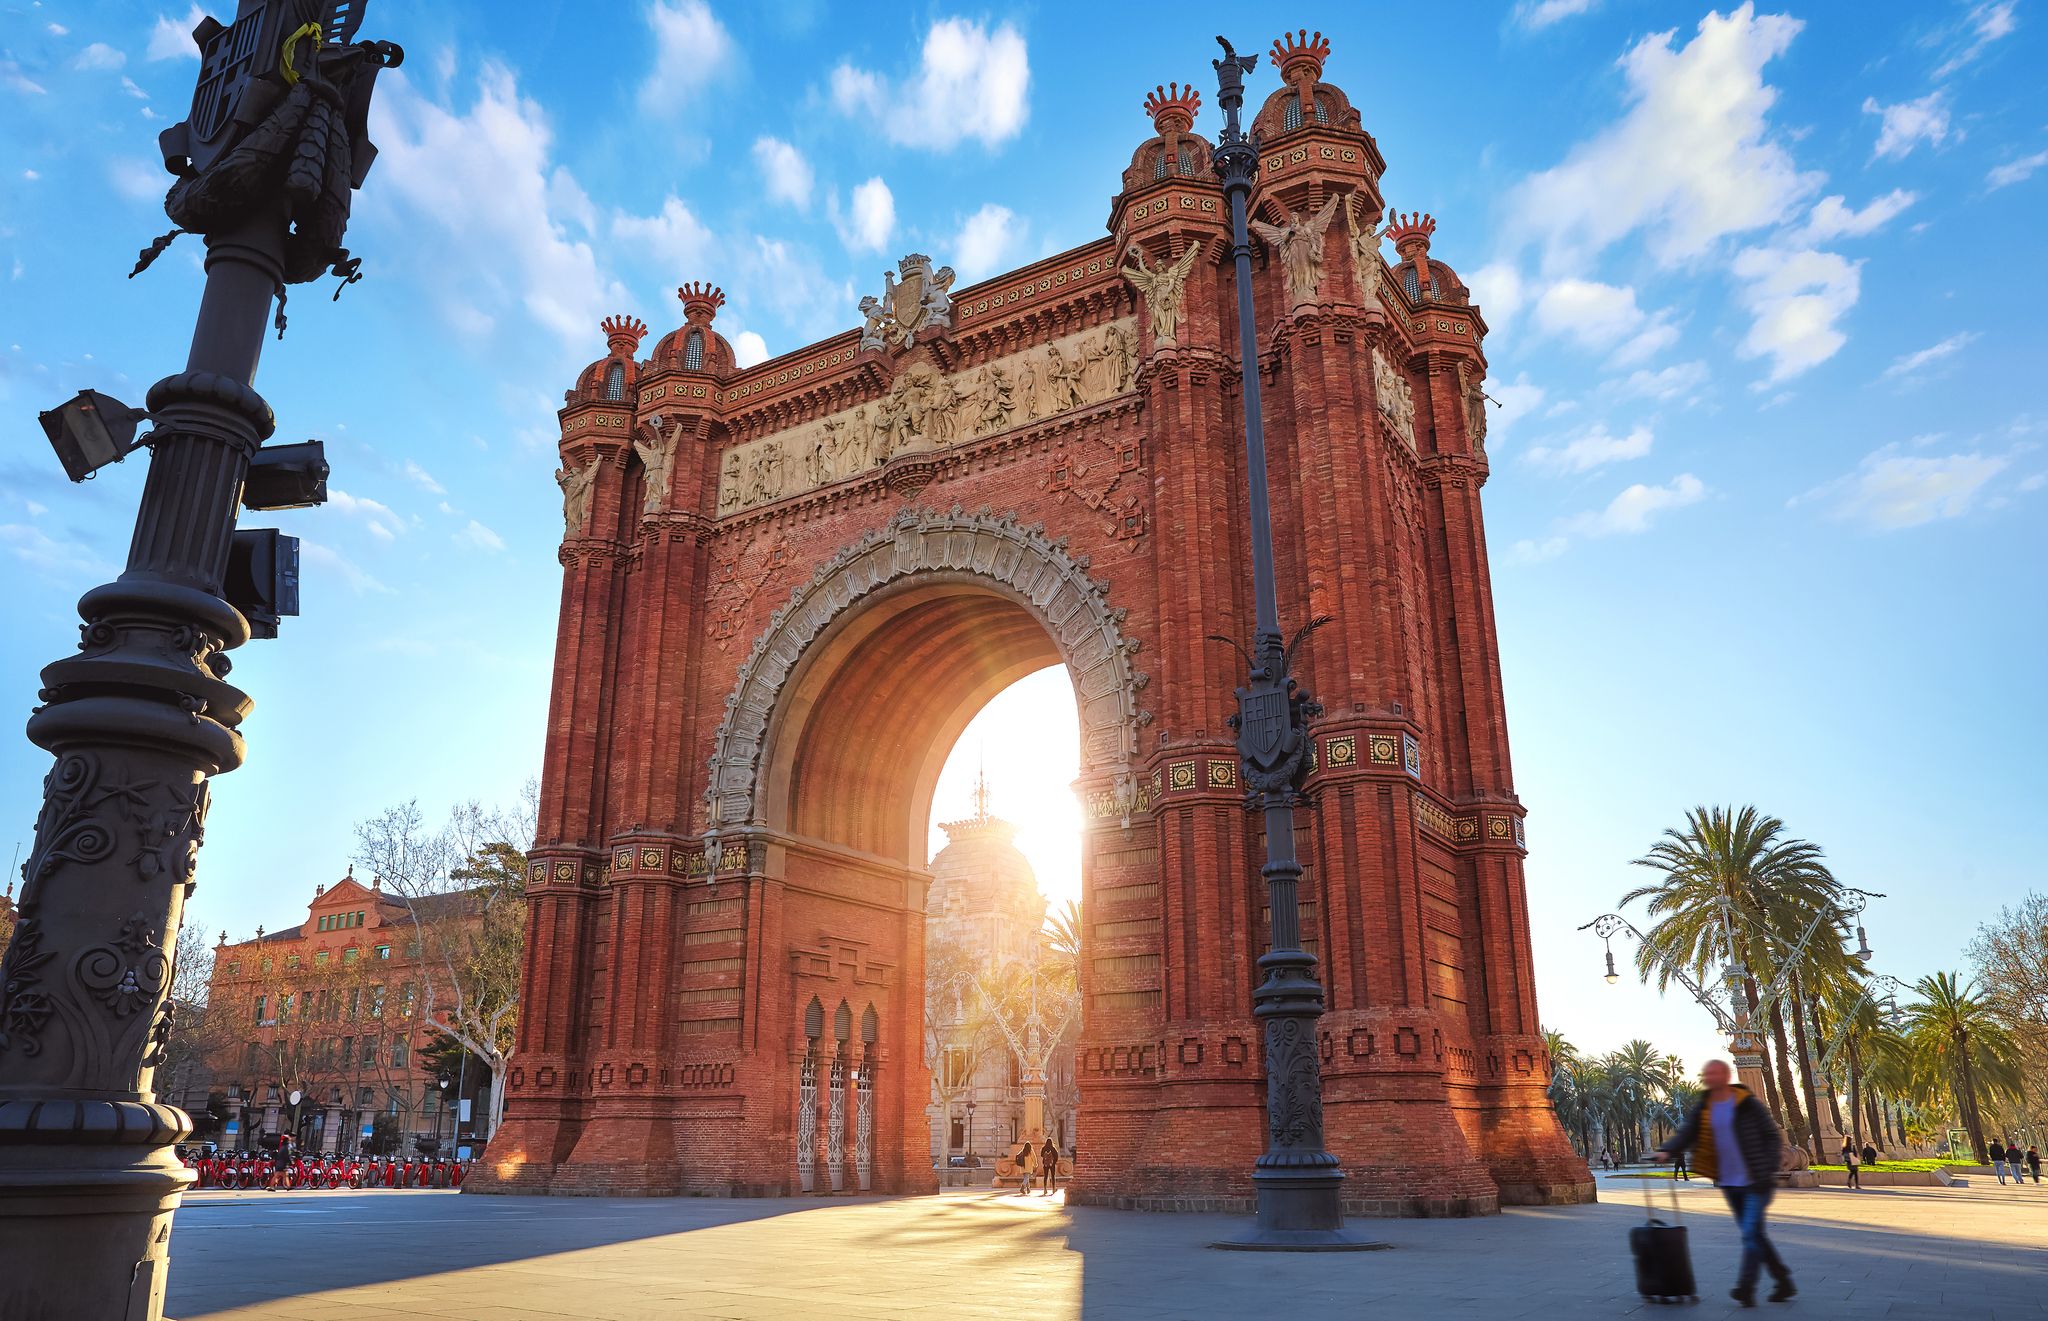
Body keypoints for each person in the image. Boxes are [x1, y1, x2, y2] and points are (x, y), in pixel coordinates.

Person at [1653, 1059, 1795, 1308]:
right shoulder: (1704, 1106)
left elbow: (1772, 1135)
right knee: (1756, 1235)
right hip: (1729, 1182)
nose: (1709, 1077)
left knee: (1750, 1234)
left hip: (1756, 1180)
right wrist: (1667, 1150)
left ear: (1726, 1075)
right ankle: (1783, 1280)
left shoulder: (1747, 1103)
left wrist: (1769, 1163)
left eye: (1714, 1073)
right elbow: (1688, 1132)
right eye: (1706, 1073)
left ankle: (1745, 1288)